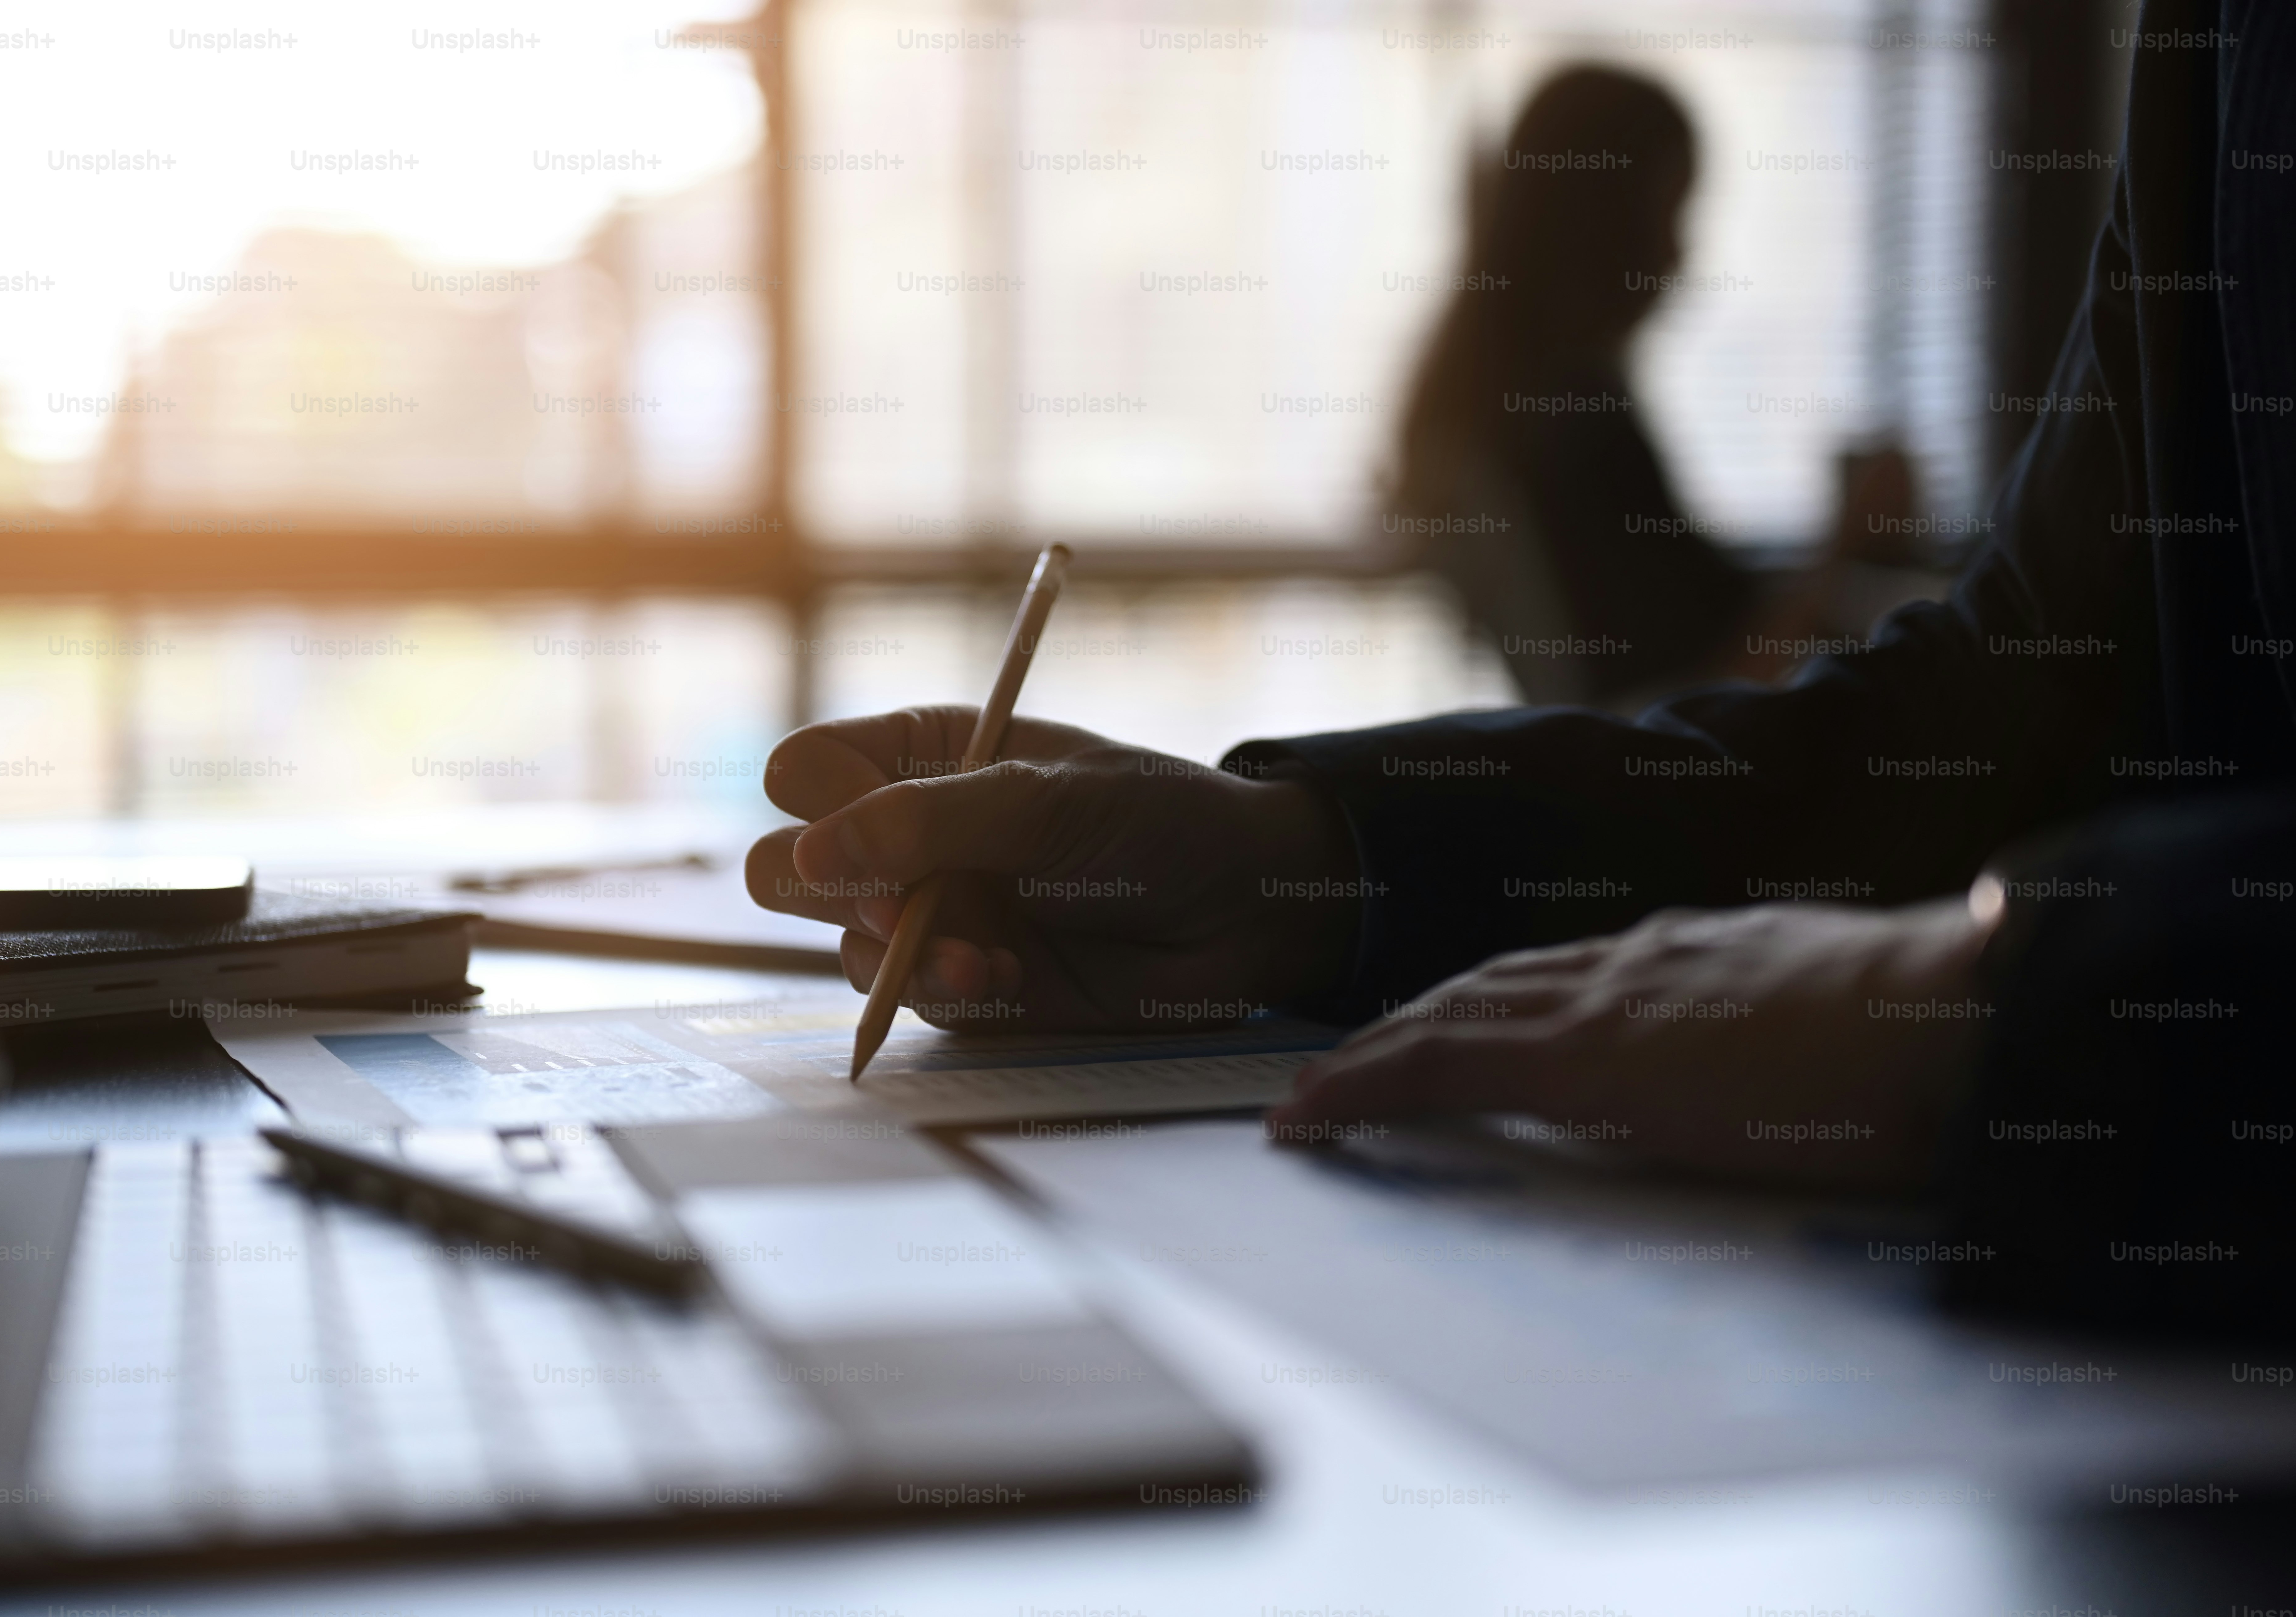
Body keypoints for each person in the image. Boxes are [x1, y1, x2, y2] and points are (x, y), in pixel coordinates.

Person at [751, 0, 2293, 1336]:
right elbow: (2028, 690)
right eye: (1670, 216)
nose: (1684, 259)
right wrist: (1304, 867)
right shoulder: (1557, 412)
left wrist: (2014, 997)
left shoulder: (1503, 398)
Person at [1387, 65, 1919, 707]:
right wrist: (1847, 539)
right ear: (1604, 227)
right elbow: (1702, 700)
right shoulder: (1579, 435)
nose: (1678, 256)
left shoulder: (1505, 418)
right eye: (1668, 214)